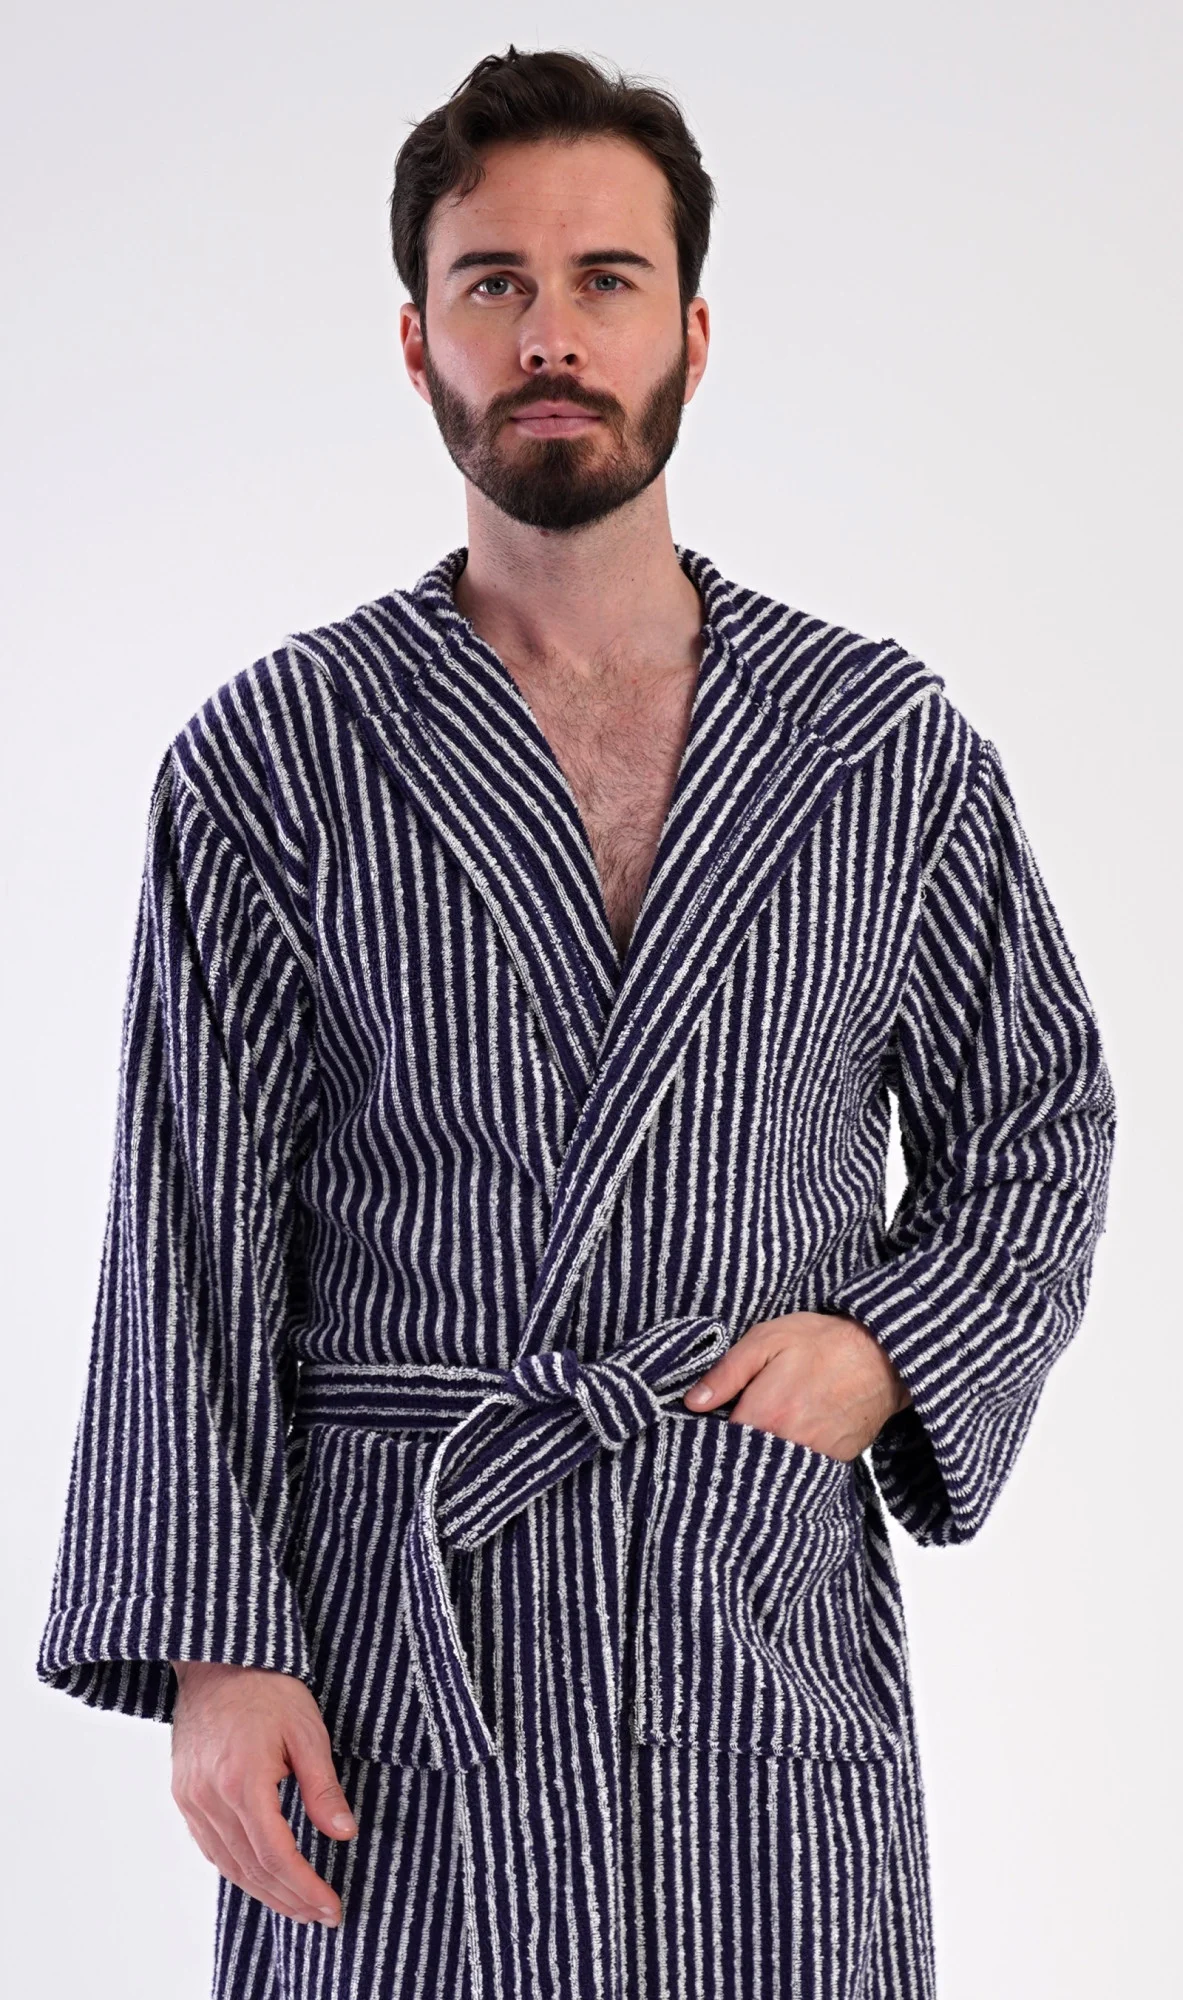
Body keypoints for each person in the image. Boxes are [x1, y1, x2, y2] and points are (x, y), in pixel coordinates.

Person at [36, 44, 1117, 2000]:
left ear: (691, 330)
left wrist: (888, 1350)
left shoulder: (882, 752)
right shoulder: (274, 761)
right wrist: (217, 1653)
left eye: (605, 280)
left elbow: (1039, 1124)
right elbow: (184, 1227)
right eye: (496, 284)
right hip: (400, 1650)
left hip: (752, 1624)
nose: (551, 335)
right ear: (416, 342)